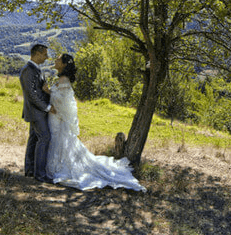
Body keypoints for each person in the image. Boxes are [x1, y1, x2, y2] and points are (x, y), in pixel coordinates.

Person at [44, 53, 146, 192]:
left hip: (58, 118)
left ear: (63, 64)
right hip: (56, 118)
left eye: (58, 59)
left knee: (60, 143)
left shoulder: (63, 80)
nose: (55, 60)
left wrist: (48, 93)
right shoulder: (62, 79)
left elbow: (63, 103)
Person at [21, 43, 54, 183]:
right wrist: (47, 108)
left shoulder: (36, 69)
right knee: (44, 138)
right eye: (45, 54)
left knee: (34, 139)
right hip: (36, 112)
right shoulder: (28, 70)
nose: (47, 57)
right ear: (37, 54)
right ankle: (40, 175)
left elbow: (39, 90)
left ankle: (30, 171)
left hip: (38, 111)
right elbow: (32, 95)